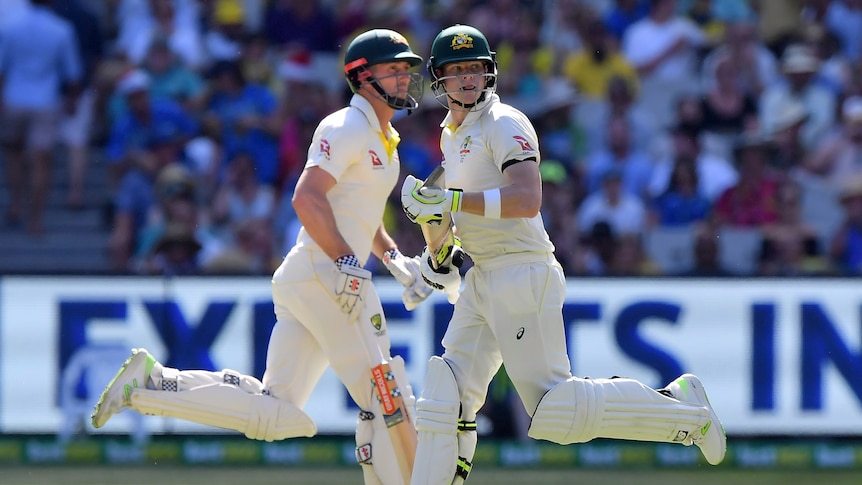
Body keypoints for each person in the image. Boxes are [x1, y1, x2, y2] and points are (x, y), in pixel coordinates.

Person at [91, 28, 432, 485]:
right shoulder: (346, 127)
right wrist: (347, 263)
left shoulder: (383, 140)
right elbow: (306, 198)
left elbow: (358, 213)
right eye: (393, 70)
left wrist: (392, 259)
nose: (404, 78)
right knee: (385, 397)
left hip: (317, 276)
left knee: (279, 414)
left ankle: (152, 384)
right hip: (327, 276)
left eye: (405, 69)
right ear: (363, 77)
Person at [400, 24, 726, 485]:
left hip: (521, 271)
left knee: (555, 411)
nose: (467, 79)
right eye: (456, 71)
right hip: (481, 279)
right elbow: (455, 225)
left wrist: (448, 201)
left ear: (489, 73)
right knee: (444, 397)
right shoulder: (452, 135)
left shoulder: (505, 122)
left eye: (475, 69)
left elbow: (526, 198)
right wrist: (433, 238)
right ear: (439, 78)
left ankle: (686, 411)